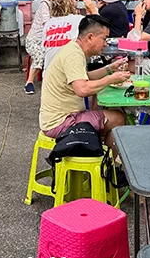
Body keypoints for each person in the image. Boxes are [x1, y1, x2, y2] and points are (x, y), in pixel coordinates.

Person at [39, 15, 130, 156]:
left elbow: (84, 78)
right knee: (117, 118)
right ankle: (110, 167)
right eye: (104, 39)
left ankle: (98, 158)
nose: (106, 44)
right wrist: (111, 79)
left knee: (108, 113)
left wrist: (110, 69)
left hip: (58, 118)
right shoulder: (73, 55)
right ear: (90, 37)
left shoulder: (74, 49)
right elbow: (82, 89)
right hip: (60, 122)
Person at [24, 0, 74, 94]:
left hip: (49, 40)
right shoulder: (45, 5)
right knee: (40, 56)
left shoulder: (59, 7)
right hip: (35, 40)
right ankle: (29, 82)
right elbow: (47, 24)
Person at [42, 0, 85, 70]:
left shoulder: (48, 24)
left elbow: (44, 48)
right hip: (70, 72)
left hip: (48, 74)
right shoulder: (79, 20)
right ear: (70, 3)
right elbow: (98, 32)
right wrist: (93, 10)